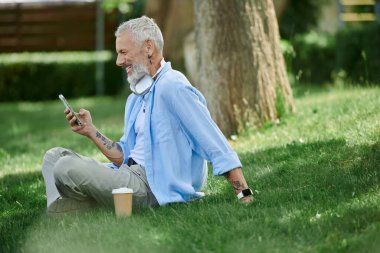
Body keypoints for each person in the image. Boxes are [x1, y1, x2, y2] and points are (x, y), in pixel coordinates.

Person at [41, 16, 253, 214]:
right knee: (54, 157)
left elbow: (215, 144)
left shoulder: (173, 87)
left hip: (153, 187)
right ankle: (64, 210)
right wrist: (90, 131)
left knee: (65, 167)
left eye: (123, 52)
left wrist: (244, 194)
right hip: (128, 175)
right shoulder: (136, 97)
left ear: (148, 47)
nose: (118, 61)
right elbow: (124, 155)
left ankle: (73, 209)